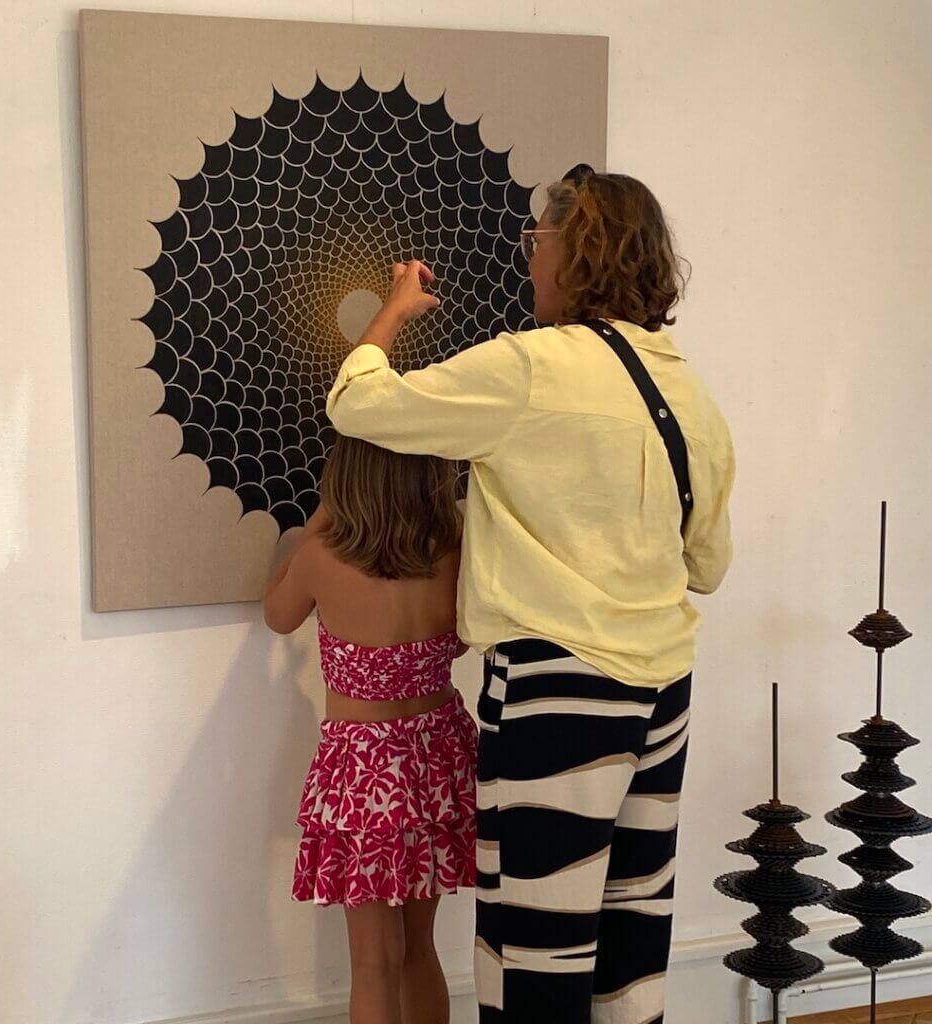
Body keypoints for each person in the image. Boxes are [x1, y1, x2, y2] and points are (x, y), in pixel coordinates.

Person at [323, 166, 735, 1023]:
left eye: (535, 241)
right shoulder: (688, 387)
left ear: (574, 251)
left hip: (557, 692)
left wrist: (390, 314)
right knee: (631, 940)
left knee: (536, 949)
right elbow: (707, 564)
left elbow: (359, 404)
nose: (529, 260)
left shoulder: (528, 368)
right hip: (664, 688)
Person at [263, 433, 478, 1024]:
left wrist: (318, 519)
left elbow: (277, 615)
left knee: (374, 962)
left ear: (345, 478)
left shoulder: (321, 557)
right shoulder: (454, 551)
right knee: (419, 949)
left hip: (364, 772)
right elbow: (466, 635)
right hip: (437, 755)